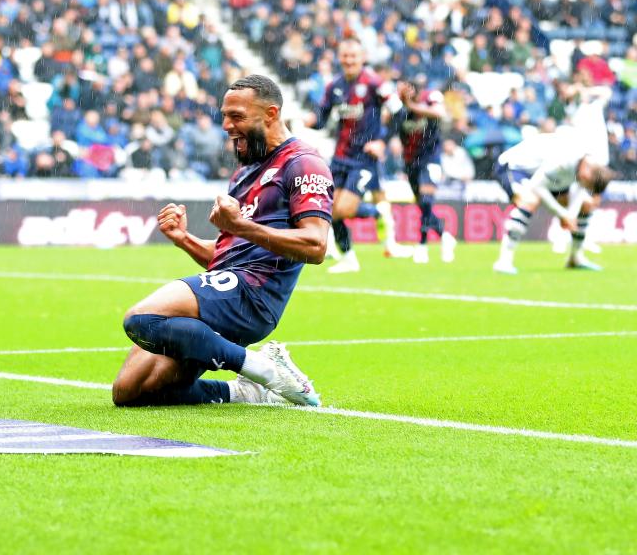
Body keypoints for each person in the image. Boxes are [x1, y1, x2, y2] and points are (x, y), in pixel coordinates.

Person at [111, 75, 331, 408]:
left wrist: (242, 226)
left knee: (141, 319)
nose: (227, 126)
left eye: (237, 117)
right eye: (224, 115)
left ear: (271, 114)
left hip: (254, 295)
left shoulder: (303, 163)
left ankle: (266, 369)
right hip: (228, 287)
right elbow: (226, 256)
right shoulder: (244, 171)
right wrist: (184, 239)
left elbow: (316, 246)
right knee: (132, 392)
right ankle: (245, 392)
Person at [306, 38, 409, 274]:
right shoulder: (334, 86)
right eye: (345, 56)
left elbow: (400, 113)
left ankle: (377, 212)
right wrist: (310, 121)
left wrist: (382, 141)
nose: (349, 60)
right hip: (340, 157)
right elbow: (321, 119)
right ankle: (349, 258)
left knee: (342, 210)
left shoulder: (375, 83)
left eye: (354, 56)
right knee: (327, 210)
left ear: (362, 57)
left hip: (364, 158)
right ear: (339, 58)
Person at [492, 129, 616, 274]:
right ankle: (504, 261)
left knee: (587, 204)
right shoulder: (564, 160)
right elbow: (537, 186)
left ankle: (576, 258)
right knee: (529, 199)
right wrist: (563, 214)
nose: (584, 185)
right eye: (587, 183)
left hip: (543, 174)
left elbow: (580, 189)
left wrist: (570, 215)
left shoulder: (588, 165)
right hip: (514, 167)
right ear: (587, 173)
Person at [392, 77, 457, 264]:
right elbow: (389, 127)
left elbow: (439, 113)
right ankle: (445, 236)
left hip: (430, 158)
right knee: (423, 206)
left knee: (427, 201)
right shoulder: (400, 110)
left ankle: (422, 245)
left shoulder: (431, 98)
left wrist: (410, 104)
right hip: (411, 163)